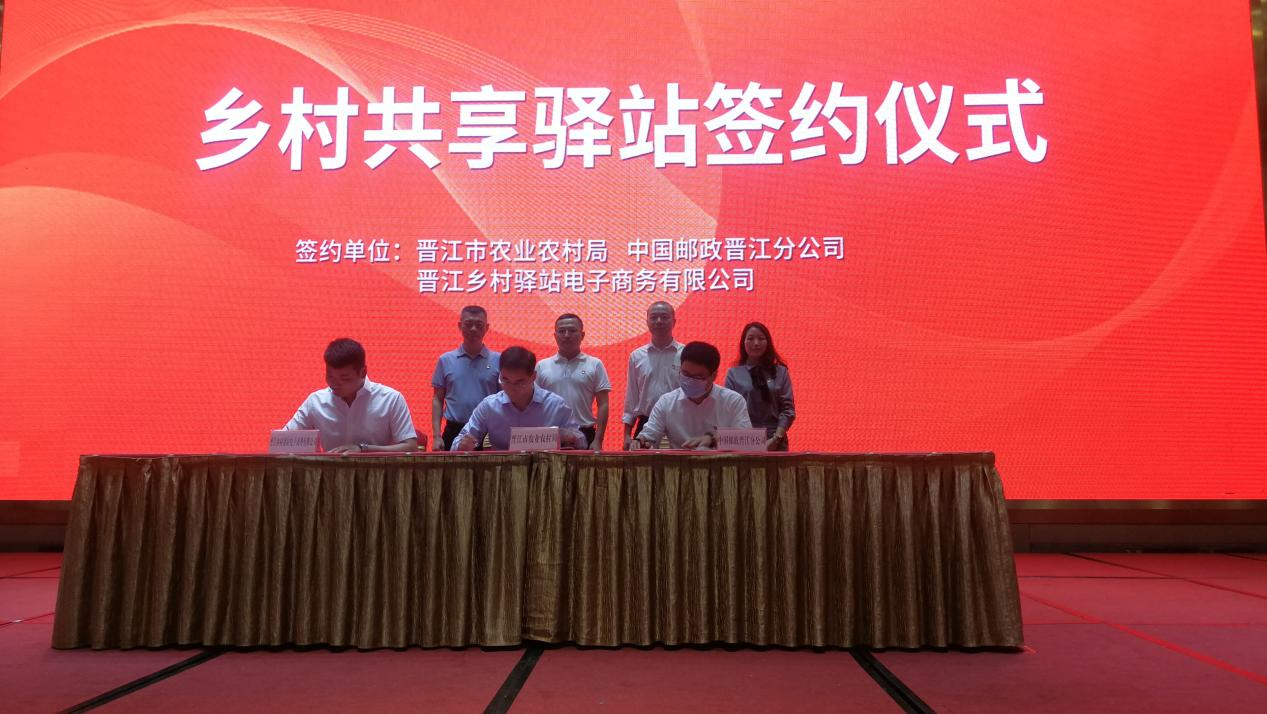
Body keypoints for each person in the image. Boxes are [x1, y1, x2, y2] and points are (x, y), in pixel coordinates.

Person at [285, 338, 421, 452]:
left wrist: (364, 449)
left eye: (344, 378)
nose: (335, 384)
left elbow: (410, 447)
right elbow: (284, 440)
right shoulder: (315, 402)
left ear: (363, 372)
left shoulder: (391, 399)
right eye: (330, 376)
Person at [450, 346, 587, 451]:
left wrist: (572, 437)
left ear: (533, 377)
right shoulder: (489, 406)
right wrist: (463, 444)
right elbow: (458, 442)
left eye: (520, 382)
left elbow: (582, 442)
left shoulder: (555, 405)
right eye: (505, 380)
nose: (511, 388)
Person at [631, 341, 750, 450]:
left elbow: (749, 440)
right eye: (685, 374)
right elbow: (649, 434)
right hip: (680, 465)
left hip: (722, 465)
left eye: (698, 377)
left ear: (714, 376)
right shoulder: (667, 402)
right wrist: (642, 442)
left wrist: (713, 440)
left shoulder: (733, 401)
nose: (690, 381)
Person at [535, 314, 612, 450]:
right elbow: (534, 404)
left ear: (582, 335)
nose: (566, 335)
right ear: (555, 336)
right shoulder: (542, 366)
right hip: (550, 435)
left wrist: (598, 439)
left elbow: (603, 404)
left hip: (585, 432)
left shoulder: (595, 364)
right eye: (562, 331)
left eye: (572, 330)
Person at [431, 305, 500, 450]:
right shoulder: (445, 360)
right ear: (459, 326)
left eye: (479, 325)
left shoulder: (498, 360)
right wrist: (436, 436)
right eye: (468, 324)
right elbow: (438, 398)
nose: (473, 329)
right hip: (454, 430)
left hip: (488, 433)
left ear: (487, 328)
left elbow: (503, 400)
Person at [724, 322, 796, 451]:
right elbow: (728, 410)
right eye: (750, 338)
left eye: (761, 338)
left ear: (768, 343)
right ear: (743, 343)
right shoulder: (733, 373)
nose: (756, 343)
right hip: (743, 437)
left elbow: (788, 409)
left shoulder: (781, 372)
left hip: (775, 438)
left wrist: (776, 438)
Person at [622, 301, 684, 449]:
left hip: (679, 423)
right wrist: (626, 435)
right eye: (654, 317)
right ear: (647, 322)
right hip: (646, 423)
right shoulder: (637, 356)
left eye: (664, 317)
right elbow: (632, 396)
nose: (659, 321)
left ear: (674, 321)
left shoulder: (685, 354)